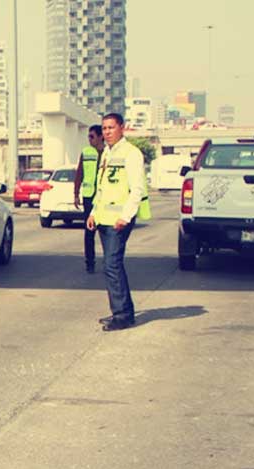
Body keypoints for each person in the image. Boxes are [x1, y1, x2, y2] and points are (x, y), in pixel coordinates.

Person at [86, 113, 146, 332]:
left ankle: (122, 315)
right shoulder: (106, 153)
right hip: (103, 218)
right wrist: (93, 212)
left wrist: (126, 216)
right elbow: (101, 187)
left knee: (112, 265)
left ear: (122, 128)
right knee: (111, 266)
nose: (107, 132)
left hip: (118, 220)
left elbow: (137, 188)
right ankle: (123, 311)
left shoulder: (132, 154)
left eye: (111, 127)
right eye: (104, 128)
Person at [73, 125, 103, 273]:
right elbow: (79, 173)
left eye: (92, 136)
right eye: (88, 137)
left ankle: (109, 262)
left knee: (105, 230)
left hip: (104, 197)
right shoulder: (86, 152)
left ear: (100, 136)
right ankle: (89, 262)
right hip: (89, 196)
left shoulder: (109, 153)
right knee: (89, 231)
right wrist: (76, 193)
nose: (89, 139)